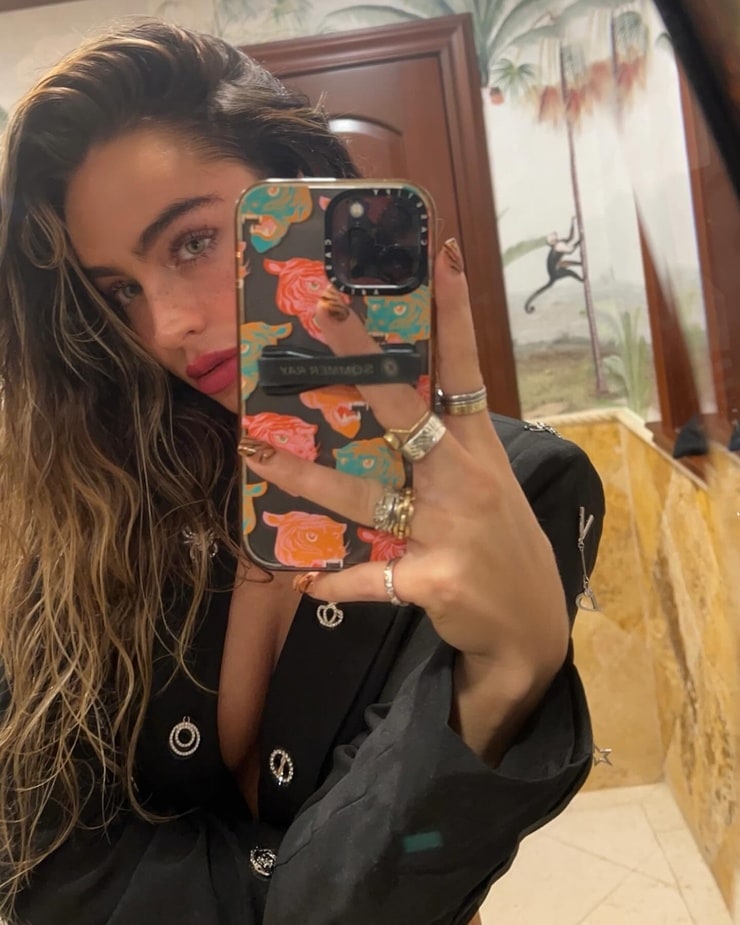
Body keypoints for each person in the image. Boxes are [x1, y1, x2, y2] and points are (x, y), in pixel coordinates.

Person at [0, 19, 604, 925]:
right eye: (120, 288)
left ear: (308, 199)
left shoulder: (519, 492)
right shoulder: (97, 488)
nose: (162, 325)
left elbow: (392, 877)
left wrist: (507, 676)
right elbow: (47, 853)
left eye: (192, 243)